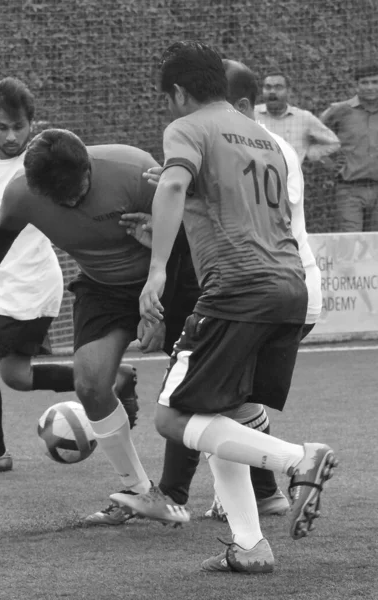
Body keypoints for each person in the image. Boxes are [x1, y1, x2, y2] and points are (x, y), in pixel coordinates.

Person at [111, 41, 337, 574]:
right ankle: (250, 545)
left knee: (172, 417)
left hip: (237, 289)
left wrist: (158, 271)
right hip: (288, 286)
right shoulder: (265, 138)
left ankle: (297, 459)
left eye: (168, 98)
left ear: (180, 92)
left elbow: (171, 185)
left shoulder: (188, 126)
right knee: (224, 414)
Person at [0, 128, 189, 524]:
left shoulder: (135, 171)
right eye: (61, 200)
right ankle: (142, 493)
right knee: (90, 383)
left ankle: (254, 488)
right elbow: (0, 233)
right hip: (101, 290)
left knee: (195, 391)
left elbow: (190, 237)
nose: (72, 202)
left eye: (79, 191)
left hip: (168, 280)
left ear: (88, 166)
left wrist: (158, 306)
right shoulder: (23, 191)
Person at [0, 79, 138, 475]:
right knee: (14, 375)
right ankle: (113, 377)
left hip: (27, 283)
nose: (12, 136)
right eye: (2, 127)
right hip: (3, 284)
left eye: (19, 126)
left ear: (33, 123)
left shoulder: (41, 168)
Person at [320, 64, 378, 232]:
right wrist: (328, 163)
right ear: (356, 85)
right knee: (350, 243)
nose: (370, 87)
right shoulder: (340, 110)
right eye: (364, 83)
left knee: (376, 246)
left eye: (375, 82)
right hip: (350, 190)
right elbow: (311, 135)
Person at [255, 71, 340, 164]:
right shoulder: (250, 115)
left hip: (291, 176)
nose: (272, 91)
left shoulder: (303, 117)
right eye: (268, 87)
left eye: (278, 87)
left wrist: (310, 154)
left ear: (288, 91)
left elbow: (334, 143)